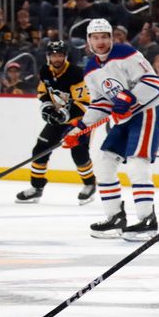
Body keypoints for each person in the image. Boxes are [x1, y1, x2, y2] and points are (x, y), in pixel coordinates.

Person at [63, 18, 159, 241]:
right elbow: (101, 103)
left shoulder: (126, 53)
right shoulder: (91, 69)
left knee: (137, 163)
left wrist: (130, 97)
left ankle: (147, 220)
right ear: (88, 41)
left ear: (111, 38)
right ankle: (115, 218)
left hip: (149, 110)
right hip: (126, 118)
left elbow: (152, 82)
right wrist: (79, 128)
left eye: (104, 37)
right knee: (104, 164)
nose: (100, 41)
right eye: (95, 37)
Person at [16, 41, 96, 204]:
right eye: (53, 55)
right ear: (48, 57)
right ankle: (36, 188)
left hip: (79, 119)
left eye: (60, 55)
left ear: (65, 56)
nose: (57, 58)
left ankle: (89, 184)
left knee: (78, 151)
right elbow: (42, 92)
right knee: (40, 148)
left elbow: (84, 102)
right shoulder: (45, 70)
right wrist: (47, 108)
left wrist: (66, 116)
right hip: (59, 117)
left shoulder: (75, 73)